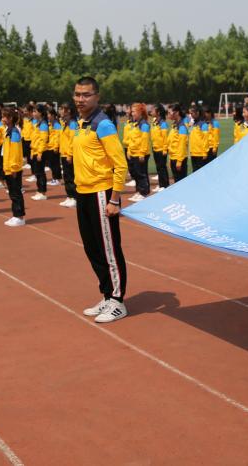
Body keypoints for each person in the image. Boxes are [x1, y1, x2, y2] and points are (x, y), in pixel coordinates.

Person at [72, 76, 130, 324]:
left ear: (97, 97)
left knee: (108, 249)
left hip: (101, 193)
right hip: (83, 192)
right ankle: (107, 295)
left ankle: (117, 300)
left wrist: (114, 200)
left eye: (86, 95)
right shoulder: (80, 123)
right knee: (92, 248)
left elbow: (120, 164)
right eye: (77, 94)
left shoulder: (102, 124)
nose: (80, 99)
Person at [1, 106, 27, 226]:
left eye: (4, 117)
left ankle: (19, 217)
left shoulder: (14, 132)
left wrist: (14, 167)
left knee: (16, 193)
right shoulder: (8, 131)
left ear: (11, 118)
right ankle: (15, 215)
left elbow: (15, 152)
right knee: (12, 193)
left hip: (13, 169)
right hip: (8, 167)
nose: (2, 119)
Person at [126, 103, 151, 201]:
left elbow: (144, 140)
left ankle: (144, 193)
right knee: (136, 174)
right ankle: (138, 191)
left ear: (140, 112)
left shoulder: (144, 124)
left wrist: (142, 153)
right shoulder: (135, 123)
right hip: (133, 153)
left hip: (140, 153)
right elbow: (132, 139)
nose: (132, 113)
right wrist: (129, 150)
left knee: (141, 174)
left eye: (133, 111)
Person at [150, 104, 171, 191]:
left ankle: (165, 186)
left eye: (153, 110)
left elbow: (165, 138)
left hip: (161, 149)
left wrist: (165, 149)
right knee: (158, 168)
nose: (151, 111)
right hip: (155, 148)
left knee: (162, 168)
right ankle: (161, 185)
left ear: (158, 112)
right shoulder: (154, 121)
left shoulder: (163, 123)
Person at [168, 104, 190, 183]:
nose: (168, 115)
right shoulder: (174, 124)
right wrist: (170, 158)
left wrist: (179, 161)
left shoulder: (182, 127)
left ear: (176, 112)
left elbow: (182, 145)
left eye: (170, 112)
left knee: (181, 182)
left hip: (179, 158)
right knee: (176, 181)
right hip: (173, 157)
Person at [188, 105, 211, 172]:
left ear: (197, 112)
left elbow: (205, 140)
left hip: (200, 154)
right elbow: (189, 132)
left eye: (192, 113)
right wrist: (190, 124)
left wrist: (204, 153)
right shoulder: (193, 123)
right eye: (190, 113)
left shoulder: (203, 124)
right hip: (193, 153)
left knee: (202, 173)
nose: (190, 115)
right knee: (195, 172)